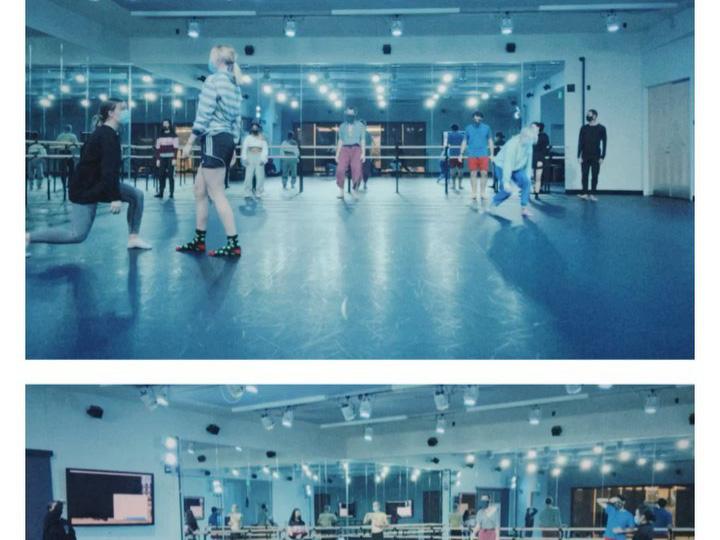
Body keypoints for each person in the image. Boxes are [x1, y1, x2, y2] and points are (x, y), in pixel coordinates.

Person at [26, 99, 151, 253]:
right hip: (85, 189)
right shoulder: (106, 135)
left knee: (136, 195)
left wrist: (112, 192)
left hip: (99, 184)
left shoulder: (110, 133)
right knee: (76, 235)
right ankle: (26, 237)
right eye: (123, 109)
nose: (127, 112)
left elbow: (104, 169)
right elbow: (108, 169)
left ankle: (133, 238)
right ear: (111, 113)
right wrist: (115, 197)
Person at [177, 44, 243, 258]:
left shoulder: (213, 81)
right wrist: (234, 145)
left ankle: (233, 244)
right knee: (199, 190)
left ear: (217, 60)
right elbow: (237, 120)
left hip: (213, 138)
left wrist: (189, 143)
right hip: (225, 140)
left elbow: (204, 115)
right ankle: (199, 240)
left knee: (217, 193)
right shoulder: (235, 85)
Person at [491, 126, 538, 217]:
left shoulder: (529, 143)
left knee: (526, 183)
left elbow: (528, 162)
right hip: (502, 165)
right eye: (530, 139)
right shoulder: (512, 145)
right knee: (507, 190)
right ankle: (493, 203)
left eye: (532, 140)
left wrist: (527, 177)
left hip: (517, 167)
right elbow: (507, 165)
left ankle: (524, 209)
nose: (531, 142)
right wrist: (506, 182)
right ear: (523, 136)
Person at [460, 111, 494, 202]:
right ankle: (473, 192)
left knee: (484, 173)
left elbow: (490, 141)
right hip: (472, 154)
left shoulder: (487, 128)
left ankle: (483, 192)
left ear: (482, 119)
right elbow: (464, 141)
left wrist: (492, 154)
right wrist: (461, 153)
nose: (477, 119)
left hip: (483, 154)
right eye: (475, 118)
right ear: (473, 118)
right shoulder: (468, 128)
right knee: (473, 174)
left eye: (479, 118)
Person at [335, 105, 366, 199]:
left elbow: (362, 140)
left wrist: (363, 153)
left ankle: (355, 190)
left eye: (351, 114)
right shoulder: (342, 126)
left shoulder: (361, 126)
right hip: (345, 149)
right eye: (348, 114)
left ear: (355, 115)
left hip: (356, 148)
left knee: (357, 170)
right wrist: (337, 153)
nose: (349, 115)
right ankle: (341, 191)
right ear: (346, 114)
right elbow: (340, 140)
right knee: (340, 169)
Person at [577, 108, 607, 201]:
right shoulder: (584, 128)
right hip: (585, 155)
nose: (587, 116)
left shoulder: (601, 128)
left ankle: (593, 194)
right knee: (584, 175)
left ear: (594, 116)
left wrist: (602, 156)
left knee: (595, 175)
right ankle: (585, 193)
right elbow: (580, 142)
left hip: (596, 155)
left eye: (589, 114)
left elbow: (605, 143)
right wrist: (578, 155)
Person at [242, 121, 269, 198]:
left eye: (256, 127)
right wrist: (244, 158)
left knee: (260, 175)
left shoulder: (262, 138)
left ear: (258, 128)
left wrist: (263, 159)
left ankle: (259, 192)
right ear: (251, 128)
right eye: (253, 127)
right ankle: (247, 192)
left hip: (259, 156)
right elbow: (244, 148)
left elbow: (265, 149)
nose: (255, 128)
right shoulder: (248, 138)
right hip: (250, 156)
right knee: (248, 175)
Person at [154, 119, 179, 199]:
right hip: (161, 158)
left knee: (171, 176)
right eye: (164, 124)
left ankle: (171, 193)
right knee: (161, 175)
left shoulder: (174, 135)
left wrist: (174, 158)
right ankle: (161, 192)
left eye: (166, 123)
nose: (165, 125)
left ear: (169, 125)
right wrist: (157, 159)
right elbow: (157, 148)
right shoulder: (159, 136)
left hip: (170, 158)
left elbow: (175, 148)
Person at [55, 125, 81, 193]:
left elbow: (56, 144)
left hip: (61, 153)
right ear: (71, 129)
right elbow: (77, 145)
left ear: (64, 129)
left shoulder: (60, 136)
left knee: (62, 170)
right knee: (71, 169)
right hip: (68, 152)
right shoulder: (73, 136)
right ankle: (69, 184)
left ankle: (64, 184)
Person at [531, 122, 551, 200]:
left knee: (533, 175)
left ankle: (533, 189)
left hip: (533, 157)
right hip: (540, 158)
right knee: (538, 176)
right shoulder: (545, 136)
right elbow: (546, 147)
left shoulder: (533, 136)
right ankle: (537, 192)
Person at [444, 124, 465, 190]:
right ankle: (460, 185)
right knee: (460, 170)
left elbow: (447, 144)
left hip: (452, 155)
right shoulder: (462, 135)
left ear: (452, 129)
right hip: (460, 155)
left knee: (452, 170)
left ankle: (453, 185)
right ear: (458, 128)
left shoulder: (449, 135)